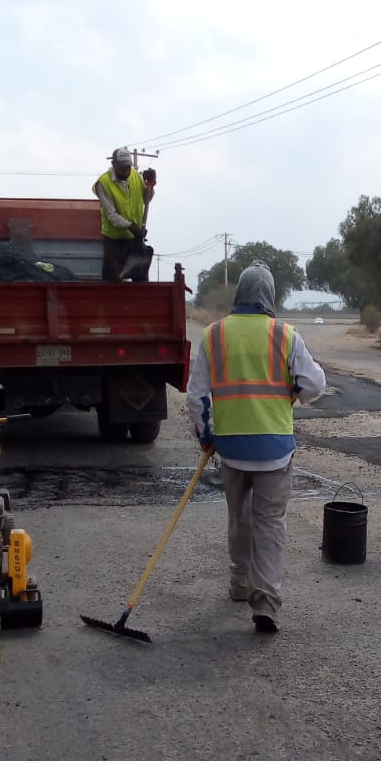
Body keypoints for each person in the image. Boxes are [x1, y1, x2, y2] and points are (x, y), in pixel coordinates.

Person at [187, 261, 326, 633]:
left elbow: (196, 395)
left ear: (240, 295)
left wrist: (206, 435)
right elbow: (314, 383)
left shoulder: (213, 335)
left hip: (231, 449)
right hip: (274, 449)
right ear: (270, 296)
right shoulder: (285, 335)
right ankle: (265, 599)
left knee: (240, 518)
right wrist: (292, 393)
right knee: (269, 524)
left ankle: (239, 583)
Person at [93, 147, 156, 282]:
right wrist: (131, 226)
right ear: (114, 164)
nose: (126, 171)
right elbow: (112, 215)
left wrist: (150, 186)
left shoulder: (135, 176)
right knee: (112, 283)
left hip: (135, 240)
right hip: (114, 242)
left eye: (128, 167)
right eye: (122, 168)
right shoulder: (103, 183)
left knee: (141, 280)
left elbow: (147, 199)